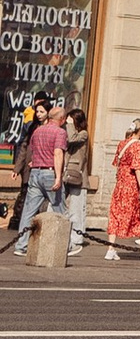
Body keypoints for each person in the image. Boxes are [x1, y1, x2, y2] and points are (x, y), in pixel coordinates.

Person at [10, 99, 63, 258]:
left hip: (35, 172)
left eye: (40, 111)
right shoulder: (57, 131)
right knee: (60, 209)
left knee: (29, 210)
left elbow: (32, 149)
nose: (38, 115)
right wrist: (58, 177)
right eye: (37, 112)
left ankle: (22, 244)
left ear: (48, 113)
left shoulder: (38, 131)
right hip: (48, 172)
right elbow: (57, 153)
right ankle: (67, 243)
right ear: (60, 119)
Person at [106, 118, 140, 257]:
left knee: (115, 214)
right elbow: (138, 168)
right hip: (132, 185)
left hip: (120, 184)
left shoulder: (122, 143)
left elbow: (118, 163)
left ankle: (111, 249)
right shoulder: (139, 146)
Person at [57, 108, 92, 259]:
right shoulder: (67, 132)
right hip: (65, 174)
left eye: (71, 120)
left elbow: (72, 139)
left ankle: (77, 239)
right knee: (58, 205)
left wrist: (69, 124)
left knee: (77, 209)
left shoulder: (83, 134)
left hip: (78, 176)